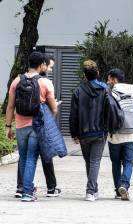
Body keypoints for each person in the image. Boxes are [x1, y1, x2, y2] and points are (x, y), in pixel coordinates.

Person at [6, 51, 58, 202]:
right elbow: (53, 109)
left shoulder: (16, 81)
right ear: (42, 65)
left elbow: (10, 106)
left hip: (21, 126)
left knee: (23, 158)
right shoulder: (45, 83)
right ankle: (28, 193)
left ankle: (24, 188)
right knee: (31, 158)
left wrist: (8, 126)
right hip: (37, 125)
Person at [69, 59, 108, 202]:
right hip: (100, 132)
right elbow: (109, 110)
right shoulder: (104, 89)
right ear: (97, 73)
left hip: (83, 132)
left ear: (84, 75)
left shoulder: (78, 91)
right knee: (95, 161)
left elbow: (73, 114)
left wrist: (74, 133)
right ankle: (91, 191)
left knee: (89, 162)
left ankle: (93, 190)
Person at [107, 68, 133, 201]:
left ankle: (117, 190)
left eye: (109, 79)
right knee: (128, 162)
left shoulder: (111, 94)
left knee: (116, 163)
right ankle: (124, 186)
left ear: (114, 80)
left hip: (115, 135)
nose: (108, 81)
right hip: (132, 134)